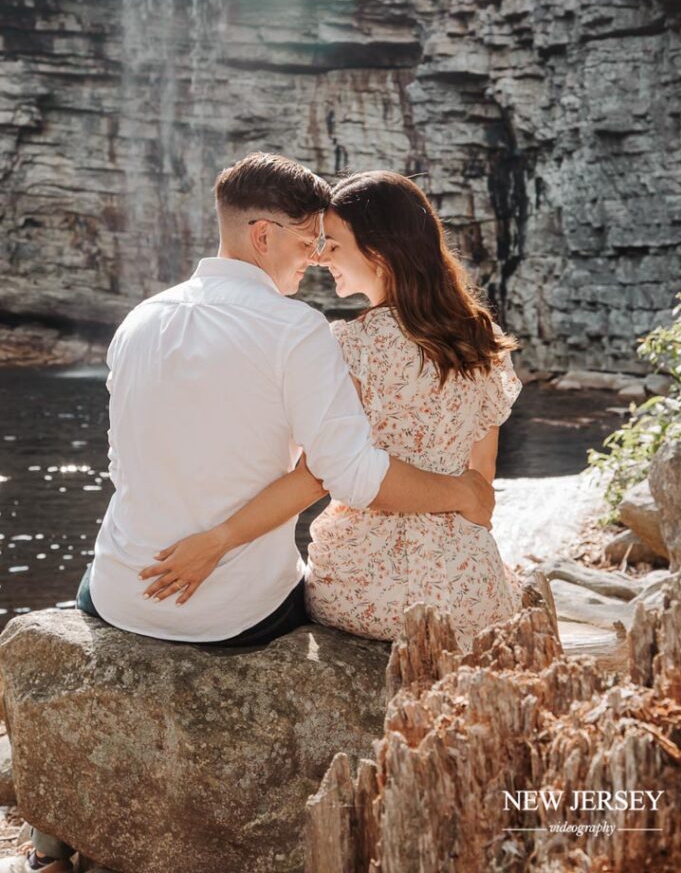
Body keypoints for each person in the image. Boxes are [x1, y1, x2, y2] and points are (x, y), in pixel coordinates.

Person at [1, 154, 495, 873]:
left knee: (99, 578)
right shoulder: (295, 331)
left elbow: (121, 463)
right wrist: (462, 494)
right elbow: (349, 473)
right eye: (304, 245)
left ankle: (57, 826)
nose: (314, 264)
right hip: (232, 617)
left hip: (119, 593)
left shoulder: (140, 318)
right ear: (263, 236)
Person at [139, 170, 523, 649]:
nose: (318, 258)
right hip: (468, 584)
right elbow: (480, 489)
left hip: (366, 587)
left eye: (333, 245)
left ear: (379, 254)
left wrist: (216, 540)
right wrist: (460, 512)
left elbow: (318, 477)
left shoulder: (350, 347)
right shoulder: (483, 341)